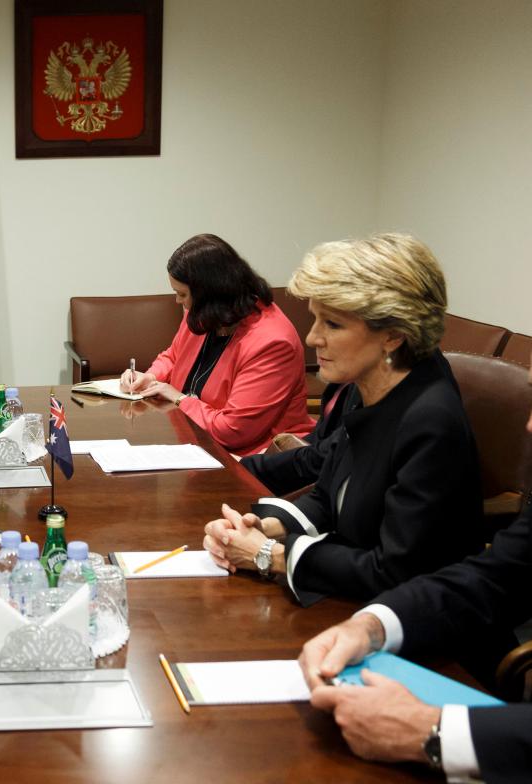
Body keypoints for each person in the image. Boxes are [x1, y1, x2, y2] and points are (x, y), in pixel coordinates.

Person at [203, 234, 485, 606]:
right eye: (316, 319)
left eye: (332, 324)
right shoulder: (366, 384)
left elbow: (394, 571)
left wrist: (268, 556)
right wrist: (262, 528)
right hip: (353, 597)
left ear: (394, 335)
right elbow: (327, 496)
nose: (312, 337)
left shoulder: (431, 421)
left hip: (422, 631)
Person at [298, 353, 532, 782]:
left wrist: (437, 733)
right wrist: (371, 625)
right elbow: (493, 576)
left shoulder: (428, 412)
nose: (530, 426)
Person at [119, 234, 314, 455]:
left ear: (210, 293)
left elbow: (232, 431)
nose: (178, 301)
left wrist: (179, 399)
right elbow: (174, 355)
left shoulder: (272, 343)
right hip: (199, 442)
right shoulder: (206, 312)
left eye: (182, 294)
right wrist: (152, 377)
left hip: (254, 459)